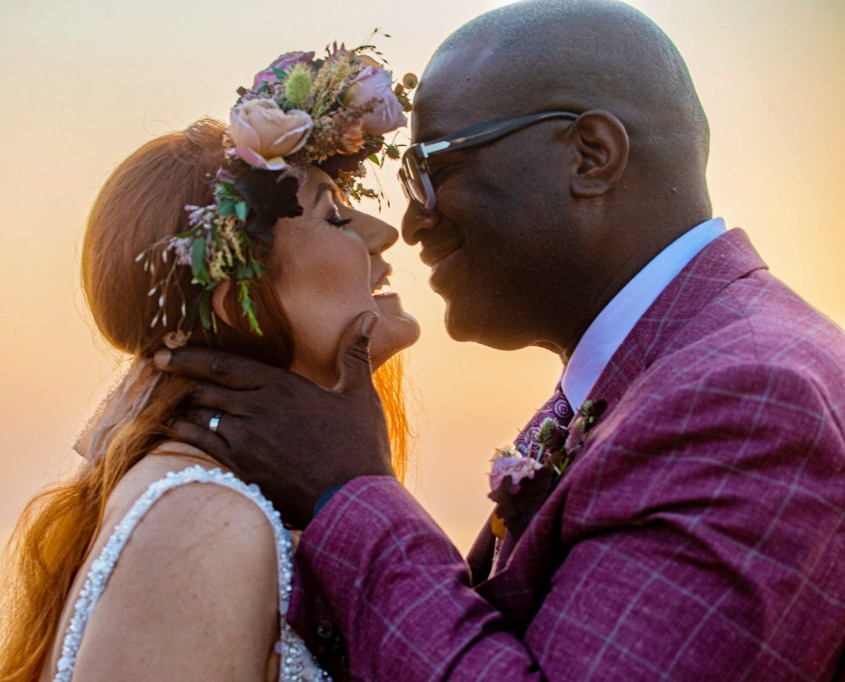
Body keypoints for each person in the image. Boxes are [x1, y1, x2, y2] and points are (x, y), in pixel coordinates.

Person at [158, 1, 845, 680]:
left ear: (591, 157)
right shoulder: (657, 376)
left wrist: (349, 492)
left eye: (431, 171)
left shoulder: (750, 397)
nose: (410, 225)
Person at [0, 46, 420, 681]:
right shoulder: (204, 523)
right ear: (238, 302)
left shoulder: (229, 505)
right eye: (334, 216)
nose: (384, 233)